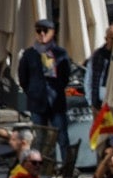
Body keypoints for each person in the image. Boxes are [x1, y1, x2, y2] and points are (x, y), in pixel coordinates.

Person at [17, 20, 73, 163]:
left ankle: (67, 170)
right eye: (38, 30)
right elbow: (23, 78)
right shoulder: (29, 54)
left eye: (45, 30)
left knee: (62, 138)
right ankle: (44, 171)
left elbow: (66, 75)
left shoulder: (60, 53)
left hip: (56, 102)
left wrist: (57, 88)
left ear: (53, 32)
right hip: (37, 102)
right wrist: (32, 91)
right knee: (41, 140)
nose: (42, 34)